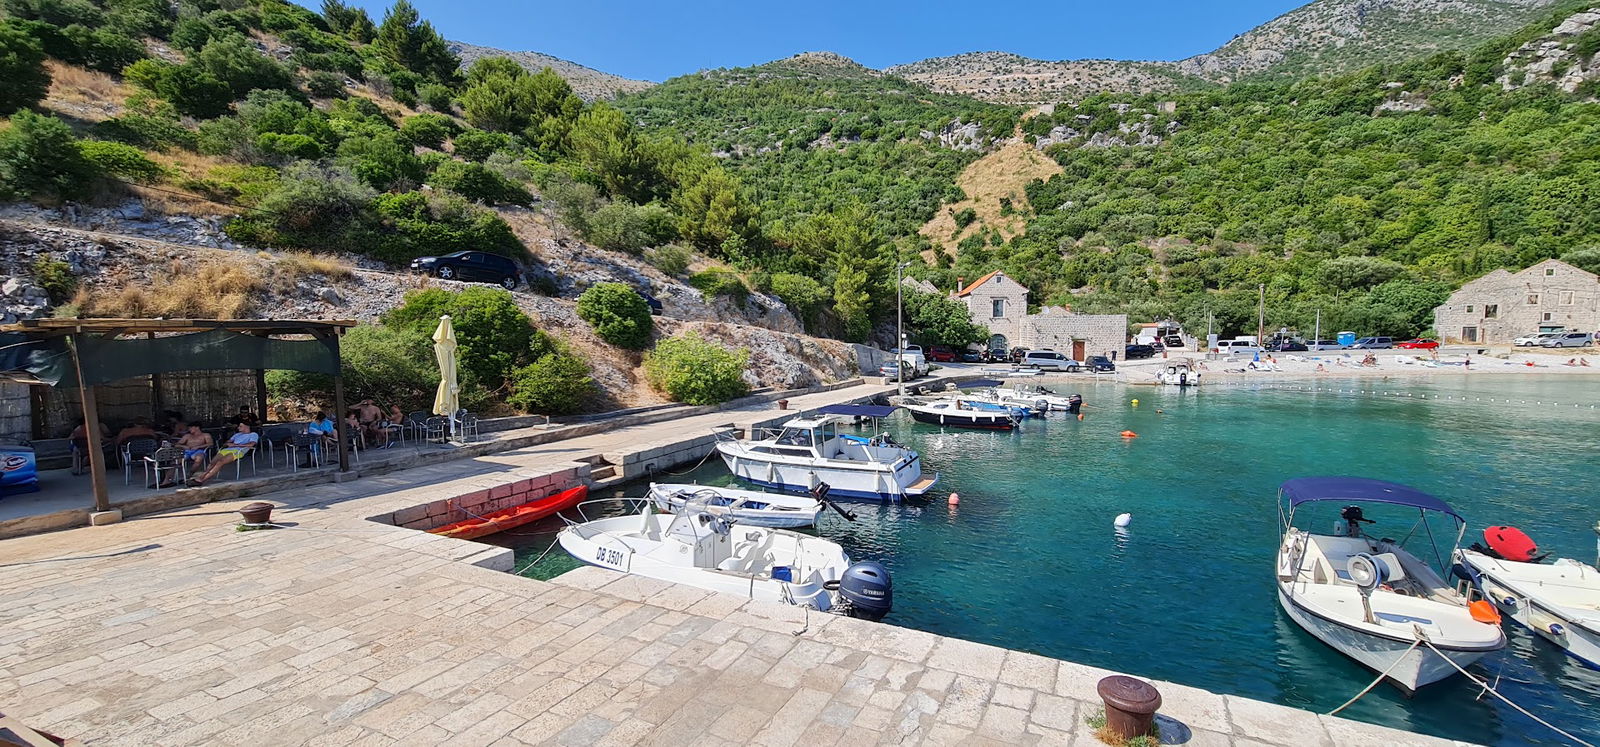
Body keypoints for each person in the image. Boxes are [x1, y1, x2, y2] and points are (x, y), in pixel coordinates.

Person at [186, 423, 257, 486]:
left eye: (241, 426)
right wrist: (228, 444)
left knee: (220, 462)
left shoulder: (253, 434)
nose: (238, 428)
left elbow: (251, 444)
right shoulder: (237, 434)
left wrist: (234, 445)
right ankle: (201, 477)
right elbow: (226, 443)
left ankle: (201, 479)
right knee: (212, 463)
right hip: (226, 450)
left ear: (247, 427)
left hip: (237, 451)